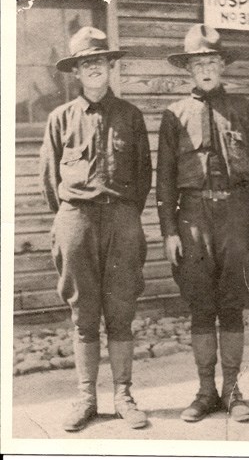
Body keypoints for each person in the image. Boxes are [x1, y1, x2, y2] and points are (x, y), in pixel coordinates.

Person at [156, 24, 249, 423]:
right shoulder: (174, 115)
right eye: (198, 62)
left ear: (222, 65)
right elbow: (165, 179)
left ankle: (234, 391)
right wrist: (169, 231)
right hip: (191, 217)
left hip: (237, 215)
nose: (205, 68)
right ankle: (206, 391)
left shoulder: (245, 109)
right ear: (189, 68)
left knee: (232, 303)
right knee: (201, 305)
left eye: (212, 60)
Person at [40, 26, 152, 431]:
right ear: (76, 71)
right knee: (83, 314)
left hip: (122, 220)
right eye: (86, 63)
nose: (94, 69)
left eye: (99, 62)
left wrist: (123, 215)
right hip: (76, 221)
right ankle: (86, 398)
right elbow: (50, 179)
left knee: (121, 310)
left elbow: (143, 177)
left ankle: (123, 395)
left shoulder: (131, 116)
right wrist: (73, 217)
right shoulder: (60, 118)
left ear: (109, 67)